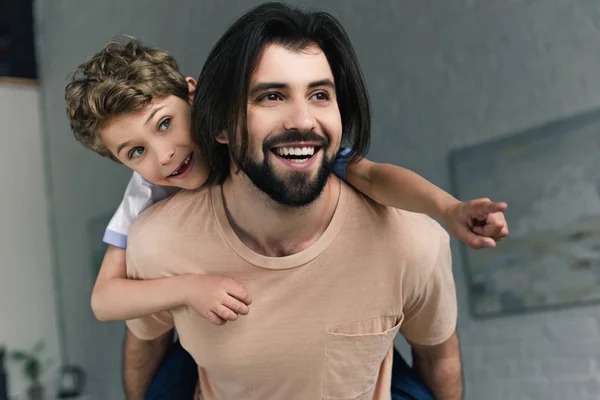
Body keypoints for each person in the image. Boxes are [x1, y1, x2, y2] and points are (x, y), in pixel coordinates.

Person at [117, 3, 501, 399]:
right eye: (271, 97)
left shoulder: (413, 242)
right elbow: (146, 346)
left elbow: (438, 359)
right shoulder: (157, 243)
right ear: (218, 125)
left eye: (320, 94)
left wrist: (448, 208)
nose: (303, 120)